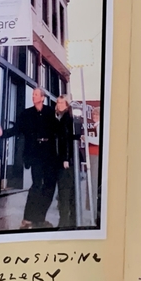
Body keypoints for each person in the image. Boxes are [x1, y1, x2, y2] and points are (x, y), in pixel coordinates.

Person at [0, 88, 59, 230]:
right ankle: (27, 219)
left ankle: (40, 218)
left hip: (49, 153)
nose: (33, 96)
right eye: (32, 94)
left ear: (42, 97)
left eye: (36, 94)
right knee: (36, 185)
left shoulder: (49, 112)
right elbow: (16, 129)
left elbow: (57, 130)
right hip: (35, 154)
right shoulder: (26, 114)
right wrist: (2, 132)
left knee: (49, 186)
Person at [55, 95, 78, 228]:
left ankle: (64, 222)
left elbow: (66, 140)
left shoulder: (65, 119)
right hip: (65, 159)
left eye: (62, 103)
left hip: (65, 161)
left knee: (65, 191)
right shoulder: (63, 118)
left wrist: (65, 158)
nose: (59, 105)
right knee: (69, 191)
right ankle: (71, 220)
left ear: (67, 105)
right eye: (58, 103)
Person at [86, 106, 100, 225]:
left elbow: (99, 141)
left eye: (97, 115)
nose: (94, 117)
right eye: (94, 115)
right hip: (93, 156)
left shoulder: (99, 126)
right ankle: (94, 213)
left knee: (94, 184)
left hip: (95, 156)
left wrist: (87, 138)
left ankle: (95, 214)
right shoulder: (97, 126)